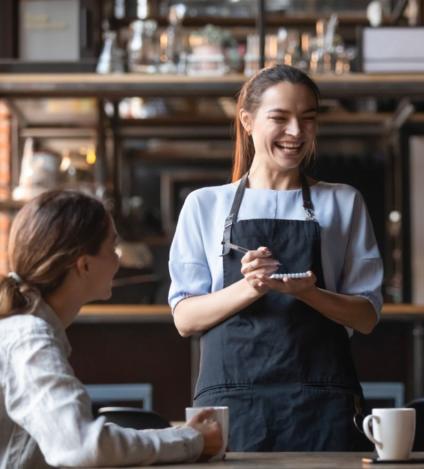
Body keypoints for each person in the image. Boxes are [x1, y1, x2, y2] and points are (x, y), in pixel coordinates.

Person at [168, 64, 383, 451]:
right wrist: (251, 286)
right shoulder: (205, 205)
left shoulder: (343, 201)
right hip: (231, 403)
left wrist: (308, 293)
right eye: (280, 118)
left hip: (324, 402)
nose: (296, 133)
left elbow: (366, 317)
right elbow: (185, 319)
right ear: (247, 121)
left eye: (308, 119)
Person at [0, 190, 223, 468]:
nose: (118, 259)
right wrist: (191, 441)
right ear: (84, 265)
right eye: (111, 247)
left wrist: (182, 436)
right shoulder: (29, 338)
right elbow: (82, 446)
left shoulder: (25, 329)